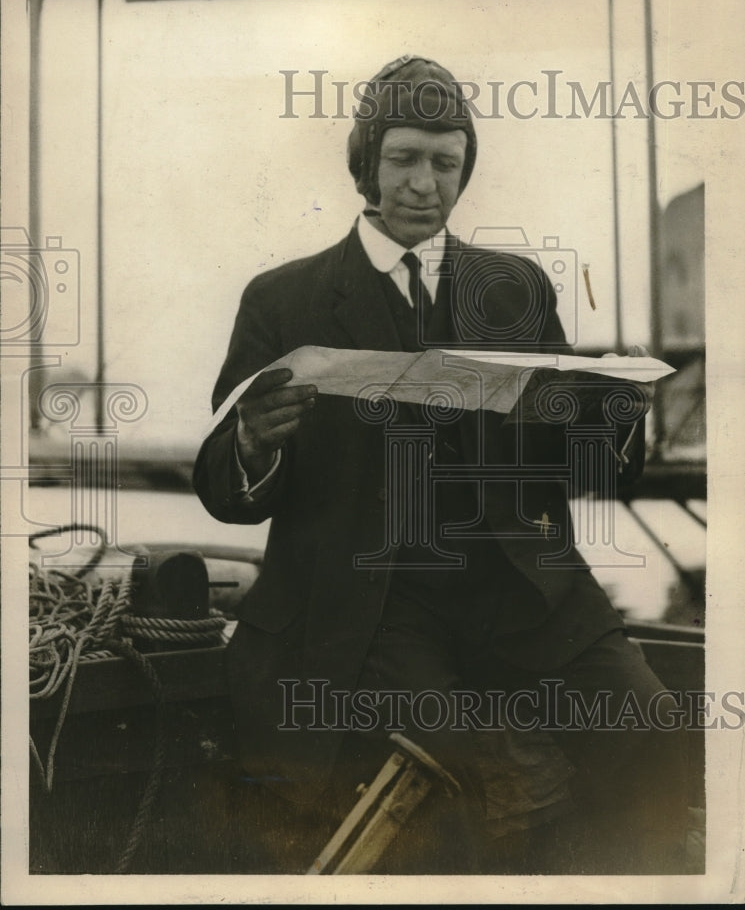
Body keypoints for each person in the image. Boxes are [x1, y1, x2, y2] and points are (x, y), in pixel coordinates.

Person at [193, 55, 688, 874]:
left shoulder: (513, 288)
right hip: (376, 607)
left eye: (445, 162)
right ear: (365, 162)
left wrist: (608, 418)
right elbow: (221, 486)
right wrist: (252, 442)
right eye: (404, 158)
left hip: (522, 593)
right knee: (444, 779)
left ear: (464, 169)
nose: (425, 183)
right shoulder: (283, 299)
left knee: (650, 727)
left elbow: (576, 465)